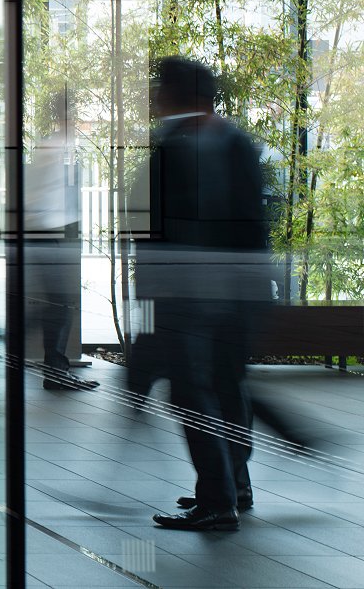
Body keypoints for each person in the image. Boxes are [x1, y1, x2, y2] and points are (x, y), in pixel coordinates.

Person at [136, 56, 271, 532]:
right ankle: (235, 485)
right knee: (228, 388)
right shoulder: (236, 142)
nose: (154, 96)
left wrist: (149, 301)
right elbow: (255, 223)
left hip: (188, 297)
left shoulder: (174, 146)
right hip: (234, 295)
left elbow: (156, 232)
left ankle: (217, 501)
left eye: (159, 87)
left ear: (176, 95)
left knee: (194, 394)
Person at [25, 91, 98, 390]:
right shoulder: (54, 146)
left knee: (59, 304)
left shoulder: (59, 145)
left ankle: (55, 369)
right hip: (48, 233)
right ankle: (54, 370)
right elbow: (39, 193)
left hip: (52, 233)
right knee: (60, 304)